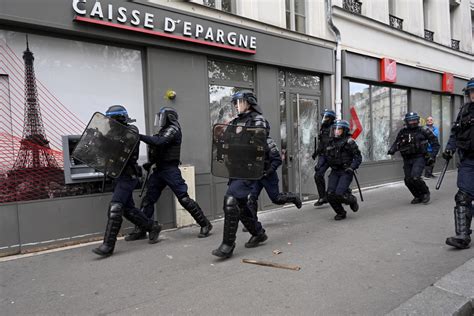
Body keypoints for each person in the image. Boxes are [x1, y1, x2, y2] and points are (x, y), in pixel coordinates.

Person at [124, 107, 212, 241]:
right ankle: (143, 229)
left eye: (162, 117)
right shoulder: (164, 130)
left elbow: (159, 142)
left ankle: (205, 224)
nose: (159, 120)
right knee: (148, 200)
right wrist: (151, 162)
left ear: (169, 117)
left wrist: (138, 136)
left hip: (170, 170)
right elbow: (160, 150)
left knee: (184, 199)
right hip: (159, 170)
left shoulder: (173, 129)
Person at [92, 105, 161, 257]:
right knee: (128, 209)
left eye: (112, 119)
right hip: (117, 175)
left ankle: (108, 246)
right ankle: (152, 227)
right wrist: (97, 139)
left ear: (120, 119)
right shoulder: (111, 133)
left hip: (128, 176)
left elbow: (122, 144)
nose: (109, 122)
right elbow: (106, 151)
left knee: (115, 207)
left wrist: (104, 139)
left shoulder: (132, 131)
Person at [212, 90, 269, 259]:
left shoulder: (258, 120)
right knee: (242, 205)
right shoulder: (236, 121)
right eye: (235, 103)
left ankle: (227, 245)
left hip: (249, 169)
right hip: (235, 169)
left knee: (230, 200)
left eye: (239, 102)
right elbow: (226, 141)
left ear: (249, 102)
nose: (236, 105)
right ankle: (258, 233)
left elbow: (258, 147)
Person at [246, 125, 302, 228]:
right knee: (251, 198)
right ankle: (252, 223)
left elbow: (277, 160)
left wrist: (269, 171)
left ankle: (293, 197)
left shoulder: (269, 143)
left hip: (268, 176)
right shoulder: (251, 142)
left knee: (276, 199)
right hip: (256, 176)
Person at [445, 78, 474, 249]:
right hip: (468, 160)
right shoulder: (464, 111)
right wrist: (450, 148)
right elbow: (455, 133)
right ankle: (462, 236)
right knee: (463, 197)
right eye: (472, 92)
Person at [387, 112, 440, 204]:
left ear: (418, 120)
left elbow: (435, 144)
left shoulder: (424, 130)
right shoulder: (402, 131)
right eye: (410, 121)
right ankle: (417, 196)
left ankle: (425, 193)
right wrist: (392, 149)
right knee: (408, 180)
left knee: (415, 177)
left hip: (419, 157)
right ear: (406, 121)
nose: (412, 122)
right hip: (407, 158)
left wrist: (432, 156)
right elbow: (397, 142)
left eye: (414, 120)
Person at [325, 120, 362, 220]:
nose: (336, 131)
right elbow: (326, 157)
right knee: (329, 194)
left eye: (339, 129)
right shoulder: (331, 142)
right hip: (334, 171)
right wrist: (320, 168)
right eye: (335, 129)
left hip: (346, 171)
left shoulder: (349, 142)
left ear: (344, 130)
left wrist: (352, 167)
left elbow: (358, 157)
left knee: (339, 194)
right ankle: (341, 212)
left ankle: (352, 200)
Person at [312, 109, 336, 206]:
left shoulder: (336, 128)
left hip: (334, 156)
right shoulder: (323, 128)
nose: (324, 119)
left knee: (339, 174)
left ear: (330, 118)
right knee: (318, 175)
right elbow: (322, 143)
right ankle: (322, 197)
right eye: (323, 117)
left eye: (326, 117)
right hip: (324, 156)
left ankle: (344, 193)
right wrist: (316, 152)